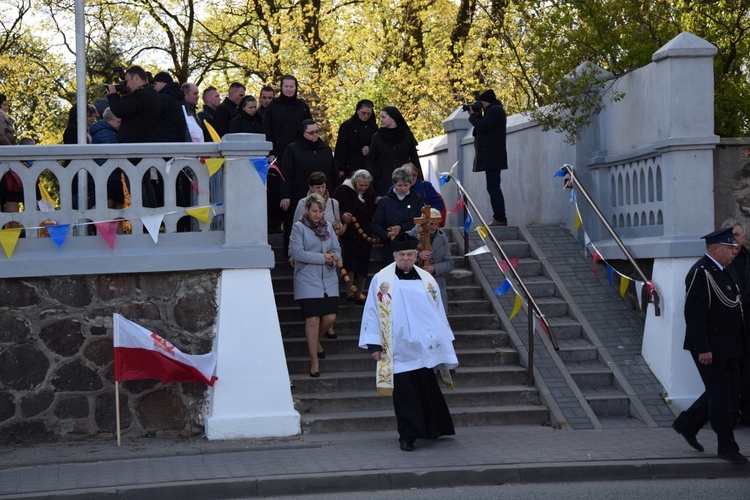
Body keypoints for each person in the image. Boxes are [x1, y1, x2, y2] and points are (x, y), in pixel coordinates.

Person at [358, 233, 458, 451]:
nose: (406, 258)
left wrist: (445, 344)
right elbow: (373, 312)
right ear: (394, 255)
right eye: (401, 254)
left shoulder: (427, 279)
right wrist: (375, 345)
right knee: (404, 394)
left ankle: (432, 429)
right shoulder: (382, 280)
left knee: (427, 389)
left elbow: (438, 312)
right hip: (398, 347)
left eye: (410, 254)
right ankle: (407, 435)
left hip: (425, 347)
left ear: (416, 255)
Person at [672, 227, 748, 464]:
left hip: (730, 346)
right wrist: (703, 348)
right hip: (711, 348)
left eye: (734, 248)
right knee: (722, 397)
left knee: (727, 392)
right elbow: (694, 315)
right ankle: (726, 446)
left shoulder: (724, 271)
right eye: (729, 248)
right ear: (715, 249)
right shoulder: (701, 272)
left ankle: (687, 423)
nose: (733, 252)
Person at [289, 193, 341, 377]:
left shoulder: (328, 226)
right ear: (307, 210)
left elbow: (336, 249)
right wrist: (322, 258)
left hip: (328, 279)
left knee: (330, 318)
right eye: (314, 211)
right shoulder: (298, 228)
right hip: (307, 279)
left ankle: (316, 341)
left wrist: (333, 260)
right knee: (312, 320)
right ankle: (314, 361)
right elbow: (298, 253)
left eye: (320, 211)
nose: (317, 214)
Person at [105, 65, 161, 207]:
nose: (126, 85)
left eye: (127, 81)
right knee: (145, 184)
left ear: (136, 77)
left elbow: (120, 110)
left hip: (134, 148)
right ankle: (151, 221)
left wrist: (112, 95)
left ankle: (144, 221)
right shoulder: (150, 93)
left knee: (137, 185)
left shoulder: (143, 94)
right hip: (143, 145)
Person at [280, 119, 337, 258]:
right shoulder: (293, 149)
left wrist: (334, 194)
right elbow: (286, 173)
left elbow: (333, 173)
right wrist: (285, 195)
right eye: (311, 132)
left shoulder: (325, 149)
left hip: (323, 196)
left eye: (317, 132)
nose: (314, 135)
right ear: (303, 133)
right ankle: (292, 255)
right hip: (299, 194)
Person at [262, 75, 312, 234]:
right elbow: (267, 130)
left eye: (292, 86)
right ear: (281, 88)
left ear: (296, 88)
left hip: (300, 155)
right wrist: (270, 152)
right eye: (286, 86)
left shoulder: (302, 107)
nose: (289, 89)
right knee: (277, 189)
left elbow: (309, 129)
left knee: (297, 187)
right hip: (278, 156)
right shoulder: (272, 107)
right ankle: (275, 224)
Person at [332, 169, 378, 304]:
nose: (363, 188)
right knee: (350, 263)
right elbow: (334, 207)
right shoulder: (341, 191)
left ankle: (360, 293)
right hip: (349, 233)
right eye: (361, 185)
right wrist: (342, 215)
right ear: (354, 182)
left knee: (363, 264)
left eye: (366, 185)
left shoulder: (370, 193)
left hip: (364, 232)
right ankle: (350, 292)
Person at [467, 89, 508, 226]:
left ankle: (500, 218)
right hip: (491, 156)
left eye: (481, 103)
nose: (480, 106)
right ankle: (499, 217)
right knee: (493, 187)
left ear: (485, 102)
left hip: (492, 156)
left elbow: (483, 127)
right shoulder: (492, 111)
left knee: (494, 187)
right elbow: (478, 131)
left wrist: (474, 116)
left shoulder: (495, 111)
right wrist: (478, 115)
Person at [723, 219, 750, 427]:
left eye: (738, 235)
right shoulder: (720, 264)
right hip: (729, 328)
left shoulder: (747, 258)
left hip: (748, 324)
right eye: (732, 235)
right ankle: (730, 414)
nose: (736, 240)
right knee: (731, 372)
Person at [370, 165, 425, 265]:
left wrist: (401, 227)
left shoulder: (417, 199)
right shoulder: (385, 201)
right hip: (391, 245)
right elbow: (375, 223)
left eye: (406, 185)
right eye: (399, 185)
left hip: (411, 243)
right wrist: (386, 234)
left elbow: (420, 221)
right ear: (394, 184)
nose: (403, 188)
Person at [367, 106, 421, 196]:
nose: (380, 120)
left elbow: (414, 158)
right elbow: (371, 162)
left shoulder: (406, 135)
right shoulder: (377, 137)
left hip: (406, 181)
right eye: (380, 117)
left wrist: (419, 180)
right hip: (384, 182)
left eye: (383, 117)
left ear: (392, 118)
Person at [407, 208, 454, 311]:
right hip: (416, 281)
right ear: (423, 222)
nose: (433, 227)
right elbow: (401, 258)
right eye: (431, 224)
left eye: (436, 224)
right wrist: (418, 255)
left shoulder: (442, 238)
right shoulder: (411, 235)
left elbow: (449, 263)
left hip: (436, 282)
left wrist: (434, 268)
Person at [90, 107, 128, 209]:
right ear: (110, 120)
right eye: (118, 122)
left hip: (108, 174)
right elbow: (115, 152)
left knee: (111, 204)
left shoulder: (103, 131)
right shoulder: (107, 133)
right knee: (111, 204)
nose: (121, 124)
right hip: (110, 174)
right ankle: (89, 222)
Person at [334, 99, 377, 181]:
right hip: (351, 165)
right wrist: (341, 168)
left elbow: (376, 144)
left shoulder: (373, 127)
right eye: (363, 113)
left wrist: (370, 149)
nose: (366, 116)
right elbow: (341, 147)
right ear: (358, 111)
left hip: (367, 165)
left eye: (369, 114)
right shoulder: (347, 126)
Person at [152, 71, 189, 142]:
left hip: (163, 142)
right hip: (180, 141)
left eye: (155, 84)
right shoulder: (181, 99)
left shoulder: (162, 98)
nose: (154, 88)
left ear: (163, 82)